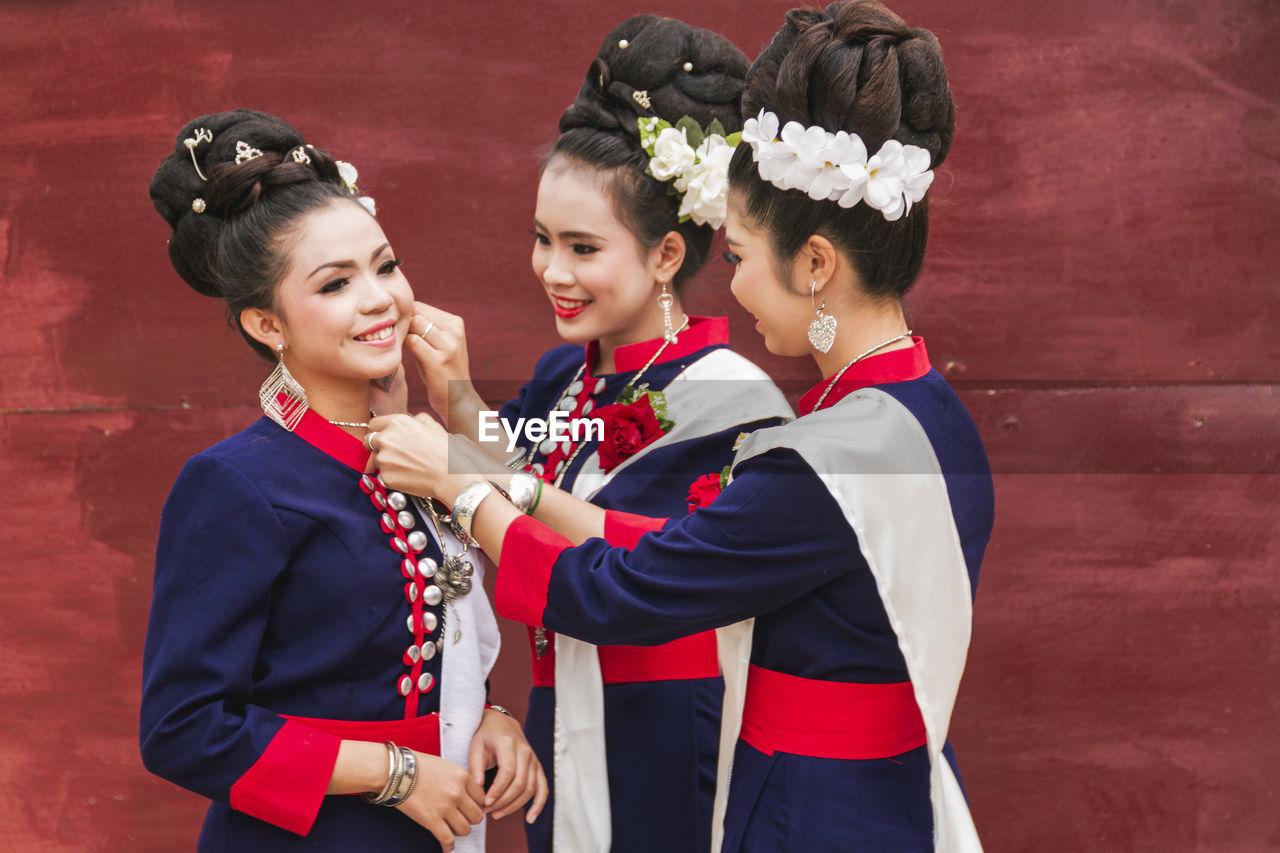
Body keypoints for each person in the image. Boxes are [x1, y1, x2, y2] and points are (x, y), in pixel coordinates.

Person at [370, 2, 992, 851]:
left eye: (737, 257)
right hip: (877, 794)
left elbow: (619, 587)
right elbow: (662, 544)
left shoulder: (825, 454)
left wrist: (463, 485)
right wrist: (488, 458)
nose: (729, 285)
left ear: (814, 262)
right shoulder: (926, 416)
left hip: (804, 810)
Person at [400, 15, 792, 853]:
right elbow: (524, 502)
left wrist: (455, 470)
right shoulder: (563, 377)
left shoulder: (726, 399)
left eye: (583, 246)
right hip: (561, 704)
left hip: (664, 725)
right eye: (543, 239)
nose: (552, 270)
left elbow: (634, 561)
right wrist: (459, 394)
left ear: (666, 254)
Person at [139, 109, 546, 853]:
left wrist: (489, 717)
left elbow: (525, 528)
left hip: (441, 828)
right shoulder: (237, 483)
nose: (379, 298)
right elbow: (182, 726)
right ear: (268, 325)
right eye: (335, 284)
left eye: (385, 265)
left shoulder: (414, 449)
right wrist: (394, 771)